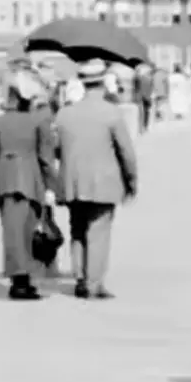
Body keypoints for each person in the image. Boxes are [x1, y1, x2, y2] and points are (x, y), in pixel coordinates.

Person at [54, 59, 138, 299]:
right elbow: (126, 152)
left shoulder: (64, 114)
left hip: (72, 181)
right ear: (102, 83)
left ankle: (80, 277)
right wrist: (131, 181)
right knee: (98, 232)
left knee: (77, 229)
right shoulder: (111, 113)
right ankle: (94, 282)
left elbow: (57, 149)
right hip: (104, 182)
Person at [0, 71, 59, 300]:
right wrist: (51, 186)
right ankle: (24, 279)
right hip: (30, 178)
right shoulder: (36, 122)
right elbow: (45, 157)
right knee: (28, 230)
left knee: (10, 231)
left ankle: (16, 278)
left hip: (5, 177)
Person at [132, 64, 154, 134]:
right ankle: (145, 126)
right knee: (146, 112)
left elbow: (135, 88)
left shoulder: (136, 78)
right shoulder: (149, 78)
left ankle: (140, 128)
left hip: (139, 96)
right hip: (146, 97)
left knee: (140, 113)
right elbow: (151, 88)